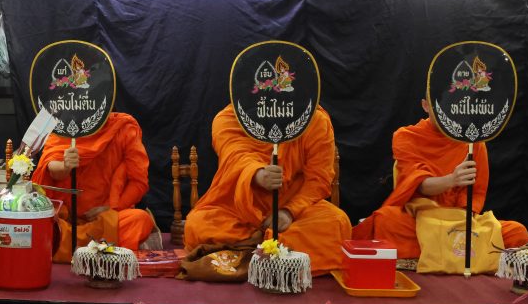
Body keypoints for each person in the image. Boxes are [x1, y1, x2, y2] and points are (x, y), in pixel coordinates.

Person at [183, 104, 351, 275]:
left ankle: (247, 253)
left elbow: (319, 179)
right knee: (197, 225)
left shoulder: (314, 120)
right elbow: (234, 156)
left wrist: (289, 211)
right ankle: (274, 254)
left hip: (293, 210)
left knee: (337, 223)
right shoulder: (229, 118)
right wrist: (258, 174)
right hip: (238, 209)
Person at [352, 98, 528, 256]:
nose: (447, 113)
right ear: (425, 105)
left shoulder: (473, 142)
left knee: (516, 232)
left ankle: (440, 250)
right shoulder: (406, 136)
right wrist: (452, 179)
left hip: (457, 223)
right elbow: (420, 184)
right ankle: (456, 252)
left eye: (452, 107)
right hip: (420, 219)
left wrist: (459, 223)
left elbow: (475, 195)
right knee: (387, 221)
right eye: (440, 106)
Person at [32, 112, 157, 261]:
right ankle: (98, 250)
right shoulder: (64, 126)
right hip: (67, 219)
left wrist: (110, 208)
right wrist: (65, 166)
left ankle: (71, 249)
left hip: (106, 219)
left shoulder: (122, 127)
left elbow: (138, 181)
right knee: (41, 224)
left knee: (141, 220)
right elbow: (51, 167)